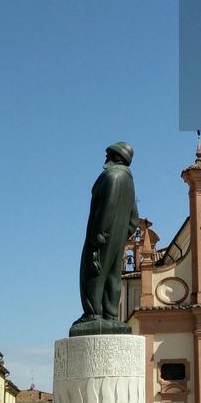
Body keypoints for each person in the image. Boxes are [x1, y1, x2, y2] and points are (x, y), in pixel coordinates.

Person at [71, 142, 139, 334]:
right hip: (118, 239)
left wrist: (98, 235)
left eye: (108, 155)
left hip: (101, 236)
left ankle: (93, 314)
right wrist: (121, 235)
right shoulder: (129, 181)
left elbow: (106, 208)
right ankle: (110, 314)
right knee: (113, 276)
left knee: (93, 273)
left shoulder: (111, 176)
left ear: (115, 157)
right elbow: (134, 217)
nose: (105, 159)